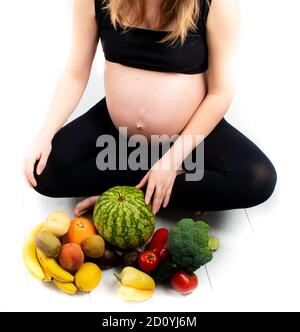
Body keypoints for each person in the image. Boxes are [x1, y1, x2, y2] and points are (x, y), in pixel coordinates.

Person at [23, 0, 277, 216]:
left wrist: (173, 158)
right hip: (117, 133)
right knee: (43, 173)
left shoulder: (214, 4)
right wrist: (45, 134)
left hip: (189, 133)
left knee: (258, 178)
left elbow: (219, 93)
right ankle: (151, 184)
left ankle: (133, 192)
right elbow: (74, 74)